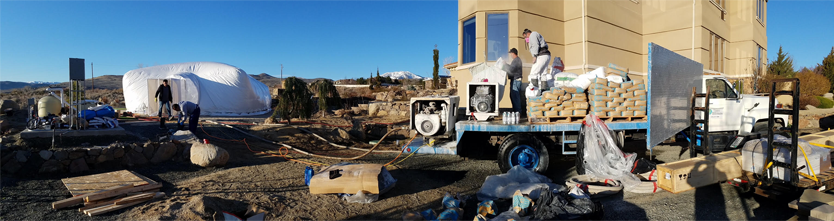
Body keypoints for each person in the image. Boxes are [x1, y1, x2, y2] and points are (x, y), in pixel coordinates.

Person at [505, 48, 523, 113]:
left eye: (510, 54)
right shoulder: (517, 60)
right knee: (513, 96)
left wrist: (505, 65)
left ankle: (518, 112)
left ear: (513, 53)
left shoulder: (516, 60)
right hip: (516, 80)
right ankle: (517, 111)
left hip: (515, 80)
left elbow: (511, 70)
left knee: (515, 96)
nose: (510, 55)